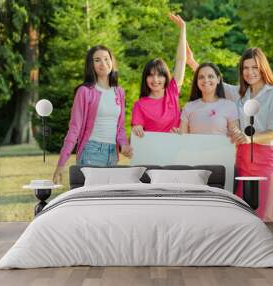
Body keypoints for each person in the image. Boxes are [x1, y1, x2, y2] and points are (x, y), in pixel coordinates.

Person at [187, 46, 273, 221]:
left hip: (265, 160)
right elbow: (212, 81)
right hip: (242, 160)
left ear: (263, 67)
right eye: (245, 68)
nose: (250, 72)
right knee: (243, 215)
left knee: (262, 215)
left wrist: (249, 139)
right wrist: (191, 62)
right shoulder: (238, 94)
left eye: (254, 67)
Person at [53, 45, 132, 184]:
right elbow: (74, 129)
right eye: (97, 60)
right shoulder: (84, 92)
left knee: (109, 202)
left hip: (112, 155)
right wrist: (61, 165)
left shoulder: (119, 91)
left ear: (112, 62)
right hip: (91, 152)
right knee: (92, 202)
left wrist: (124, 144)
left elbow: (120, 128)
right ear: (91, 65)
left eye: (106, 59)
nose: (103, 63)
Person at [131, 14, 186, 137]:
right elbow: (137, 132)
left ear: (166, 77)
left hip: (176, 151)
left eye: (159, 75)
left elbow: (181, 60)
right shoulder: (140, 105)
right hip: (152, 153)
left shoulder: (172, 93)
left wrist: (183, 29)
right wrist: (137, 128)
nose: (155, 79)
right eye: (150, 75)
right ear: (145, 78)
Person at [180, 62, 239, 135]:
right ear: (197, 82)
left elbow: (235, 137)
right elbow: (182, 138)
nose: (206, 80)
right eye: (201, 77)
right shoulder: (188, 107)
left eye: (210, 76)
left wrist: (237, 134)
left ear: (218, 79)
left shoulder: (229, 106)